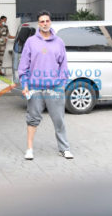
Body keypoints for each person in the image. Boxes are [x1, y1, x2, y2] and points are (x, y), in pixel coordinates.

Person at [18, 10, 73, 160]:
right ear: (38, 23)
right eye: (42, 21)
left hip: (54, 87)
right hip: (35, 87)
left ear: (50, 22)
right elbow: (23, 66)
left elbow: (63, 65)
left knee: (59, 119)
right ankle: (29, 149)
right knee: (32, 119)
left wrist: (62, 84)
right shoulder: (31, 42)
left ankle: (64, 148)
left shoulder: (59, 42)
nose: (44, 23)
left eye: (47, 21)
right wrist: (25, 84)